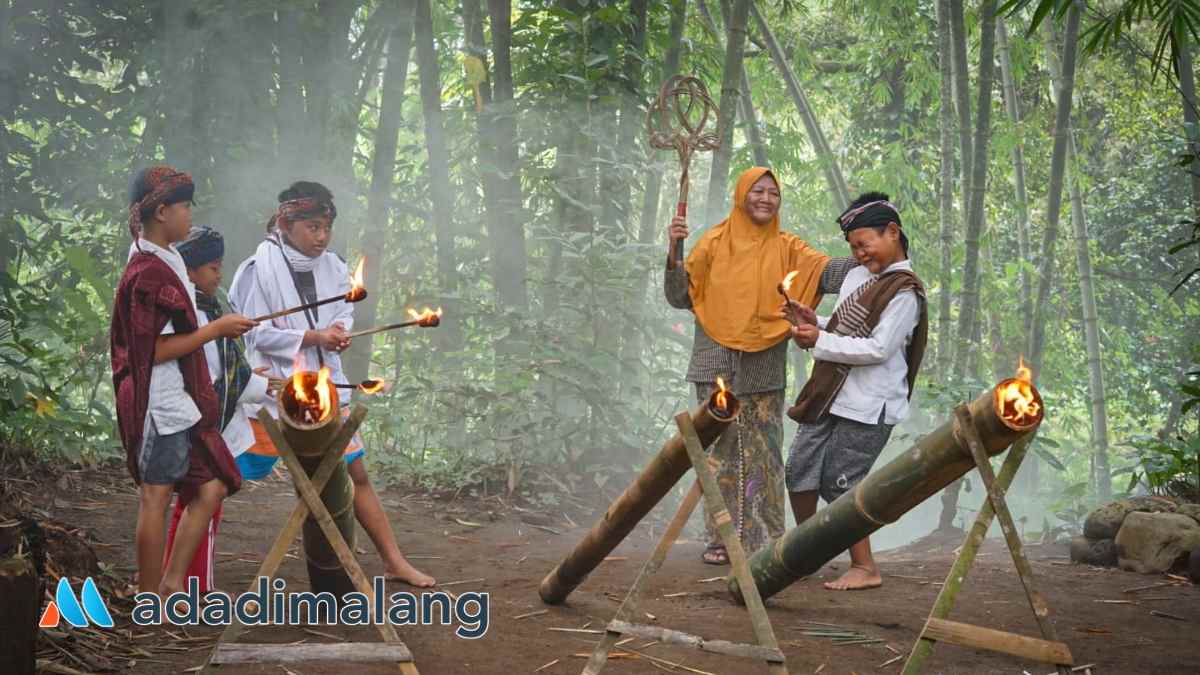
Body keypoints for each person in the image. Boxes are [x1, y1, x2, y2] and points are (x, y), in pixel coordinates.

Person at [229, 181, 435, 587]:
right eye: (312, 227)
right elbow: (254, 335)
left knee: (357, 474)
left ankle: (394, 561)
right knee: (221, 477)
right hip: (276, 392)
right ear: (286, 224)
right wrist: (313, 338)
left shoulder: (336, 266)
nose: (321, 237)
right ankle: (178, 572)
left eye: (326, 227)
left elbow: (343, 312)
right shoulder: (257, 270)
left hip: (327, 389)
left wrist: (339, 331)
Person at [664, 166, 857, 564]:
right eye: (758, 191)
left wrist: (870, 256)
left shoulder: (788, 248)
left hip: (764, 365)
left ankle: (767, 538)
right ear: (741, 195)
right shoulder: (713, 243)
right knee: (719, 450)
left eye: (773, 193)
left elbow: (827, 272)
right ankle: (721, 539)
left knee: (765, 452)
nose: (766, 199)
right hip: (714, 361)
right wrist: (674, 249)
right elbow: (678, 296)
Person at [110, 166, 257, 598]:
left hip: (183, 403)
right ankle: (150, 595)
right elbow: (148, 352)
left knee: (210, 486)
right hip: (160, 404)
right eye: (185, 206)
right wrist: (215, 329)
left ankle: (173, 584)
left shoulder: (166, 256)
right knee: (155, 499)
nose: (190, 215)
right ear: (161, 212)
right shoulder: (146, 274)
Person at [784, 192, 928, 590]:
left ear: (893, 232)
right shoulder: (856, 277)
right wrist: (817, 321)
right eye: (853, 248)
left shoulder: (905, 292)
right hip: (830, 391)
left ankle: (865, 567)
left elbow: (879, 348)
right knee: (799, 469)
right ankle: (808, 549)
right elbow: (846, 328)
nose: (860, 254)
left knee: (840, 482)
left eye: (864, 245)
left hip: (870, 402)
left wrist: (818, 340)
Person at [162, 227, 278, 594]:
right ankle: (183, 584)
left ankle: (190, 582)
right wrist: (254, 384)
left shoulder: (210, 307)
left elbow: (227, 370)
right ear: (191, 271)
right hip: (196, 421)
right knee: (205, 497)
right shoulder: (192, 315)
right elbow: (210, 379)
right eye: (212, 268)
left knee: (203, 499)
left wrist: (250, 377)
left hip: (205, 421)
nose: (219, 274)